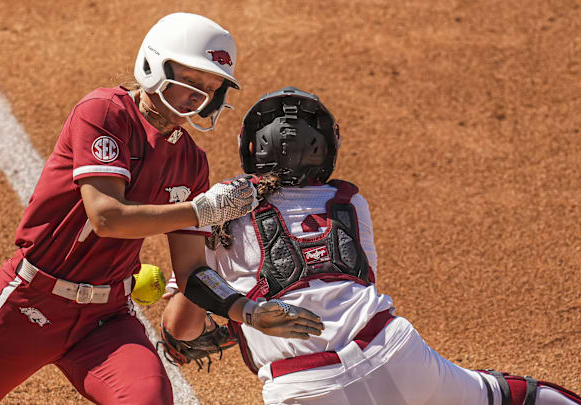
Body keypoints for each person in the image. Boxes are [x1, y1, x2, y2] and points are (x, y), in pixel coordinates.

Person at [0, 15, 324, 405]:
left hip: (105, 319)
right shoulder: (104, 112)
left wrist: (245, 310)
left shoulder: (192, 161)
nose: (198, 98)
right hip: (32, 305)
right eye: (191, 80)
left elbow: (190, 271)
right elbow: (106, 216)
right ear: (154, 64)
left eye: (209, 89)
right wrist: (202, 211)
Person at [160, 87, 581, 405]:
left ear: (250, 148)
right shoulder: (349, 204)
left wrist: (222, 311)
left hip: (301, 387)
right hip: (395, 351)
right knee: (512, 396)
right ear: (326, 150)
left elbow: (184, 330)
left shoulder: (216, 210)